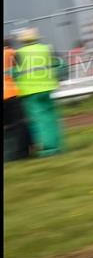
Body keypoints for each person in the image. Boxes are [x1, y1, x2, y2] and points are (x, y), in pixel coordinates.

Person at [13, 28, 65, 157]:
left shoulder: (18, 53)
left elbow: (14, 73)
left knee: (38, 121)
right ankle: (57, 145)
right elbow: (60, 65)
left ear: (22, 41)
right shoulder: (47, 48)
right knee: (51, 118)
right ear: (37, 38)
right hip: (47, 87)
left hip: (30, 91)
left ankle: (47, 149)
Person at [4, 38, 29, 162]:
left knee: (7, 127)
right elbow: (22, 65)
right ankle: (22, 153)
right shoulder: (11, 52)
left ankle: (8, 154)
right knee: (19, 124)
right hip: (11, 93)